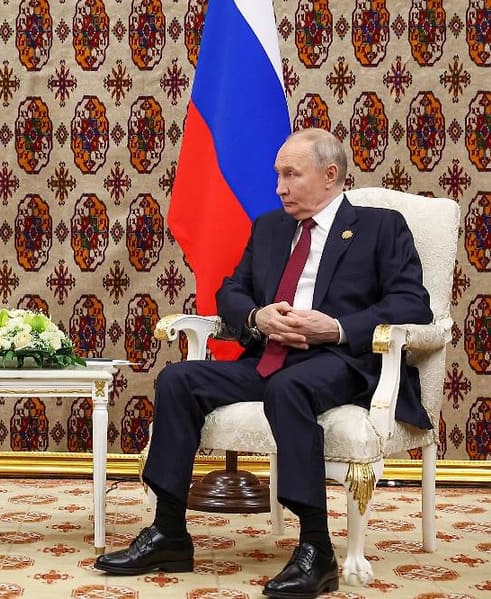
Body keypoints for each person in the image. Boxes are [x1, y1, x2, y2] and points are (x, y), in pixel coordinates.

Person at [94, 128, 433, 598]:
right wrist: (258, 316)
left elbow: (413, 303)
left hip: (342, 361)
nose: (279, 188)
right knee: (178, 380)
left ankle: (316, 549)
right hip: (271, 357)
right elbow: (231, 291)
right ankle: (168, 532)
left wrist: (335, 327)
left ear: (330, 175)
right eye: (278, 175)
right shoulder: (271, 227)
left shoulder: (381, 227)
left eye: (291, 175)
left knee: (288, 389)